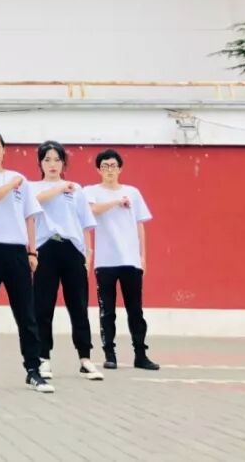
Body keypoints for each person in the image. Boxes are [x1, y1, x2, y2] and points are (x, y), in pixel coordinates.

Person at [0, 131, 54, 394]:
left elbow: (30, 216)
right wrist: (12, 184)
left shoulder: (20, 180)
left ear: (4, 150)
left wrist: (32, 251)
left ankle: (33, 370)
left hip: (16, 251)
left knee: (26, 314)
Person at [30, 140, 104, 382]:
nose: (52, 164)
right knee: (43, 306)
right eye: (47, 159)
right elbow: (36, 202)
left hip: (72, 249)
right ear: (40, 163)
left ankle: (85, 358)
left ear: (63, 163)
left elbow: (85, 223)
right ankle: (43, 357)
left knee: (78, 305)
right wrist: (61, 187)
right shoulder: (33, 187)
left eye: (57, 159)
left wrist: (87, 253)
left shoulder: (77, 190)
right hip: (45, 248)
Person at [85, 149, 160, 371]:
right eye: (105, 166)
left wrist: (143, 257)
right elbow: (92, 211)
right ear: (98, 170)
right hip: (105, 261)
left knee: (135, 310)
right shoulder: (91, 191)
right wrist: (117, 201)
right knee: (107, 311)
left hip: (130, 259)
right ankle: (110, 354)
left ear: (120, 169)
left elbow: (140, 226)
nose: (110, 170)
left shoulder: (133, 193)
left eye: (113, 166)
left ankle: (140, 354)